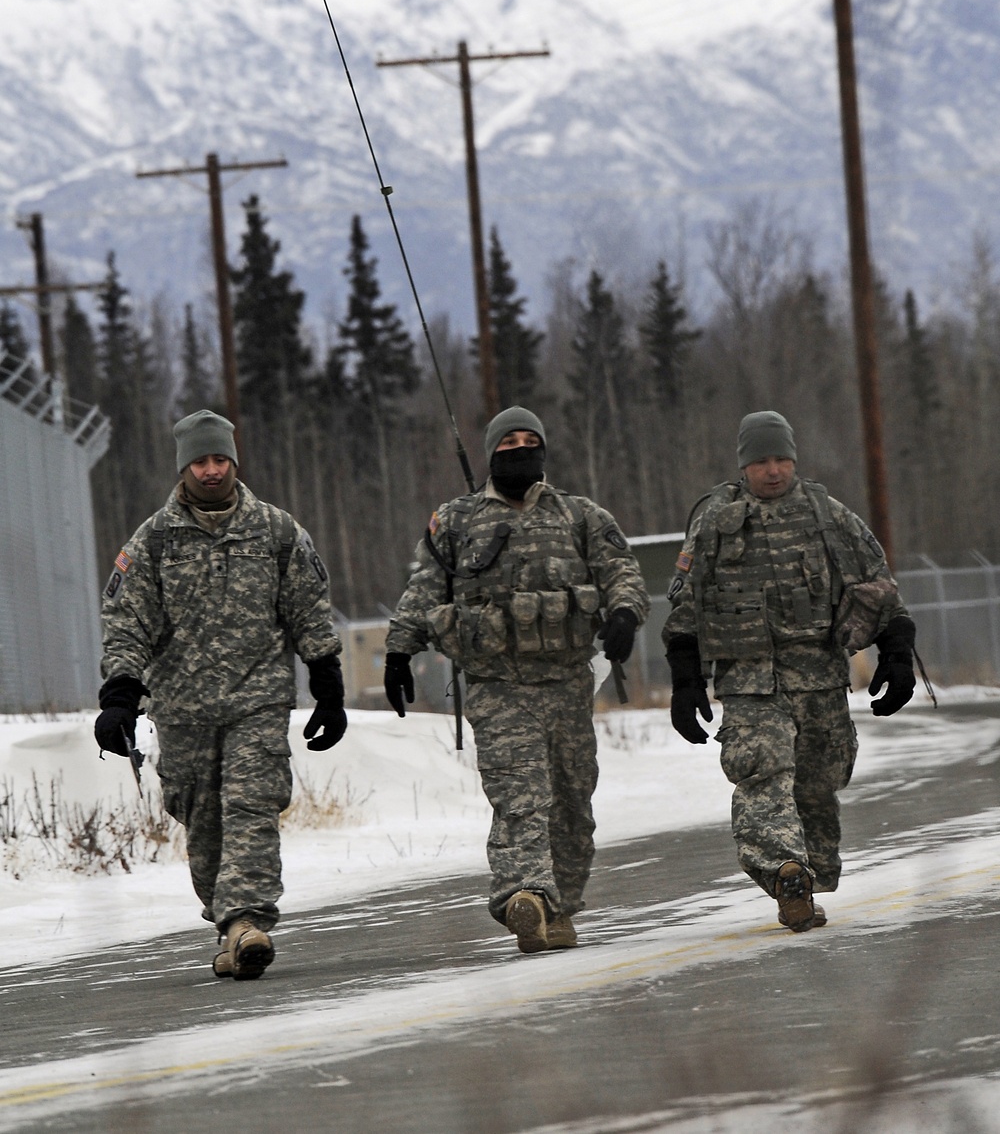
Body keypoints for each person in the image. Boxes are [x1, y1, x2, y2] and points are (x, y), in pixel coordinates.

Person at [383, 405, 649, 953]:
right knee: (520, 798)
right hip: (498, 687)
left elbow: (622, 571)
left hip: (568, 685)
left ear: (544, 451)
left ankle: (561, 904)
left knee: (572, 803)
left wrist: (624, 614)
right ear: (489, 454)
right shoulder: (456, 522)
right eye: (509, 443)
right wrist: (398, 650)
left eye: (530, 441)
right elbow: (426, 587)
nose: (520, 450)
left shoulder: (580, 516)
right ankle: (524, 895)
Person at [94, 409, 347, 980]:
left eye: (220, 459)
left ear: (234, 461)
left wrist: (326, 683)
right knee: (203, 821)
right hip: (183, 711)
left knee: (251, 805)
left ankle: (248, 921)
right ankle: (229, 927)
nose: (211, 471)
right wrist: (120, 695)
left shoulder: (278, 532)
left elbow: (308, 608)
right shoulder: (154, 542)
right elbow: (128, 622)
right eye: (200, 462)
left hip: (257, 701)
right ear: (185, 468)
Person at [663, 409, 917, 933]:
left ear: (794, 459)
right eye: (761, 461)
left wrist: (896, 650)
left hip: (820, 676)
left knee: (817, 786)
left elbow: (876, 582)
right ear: (744, 466)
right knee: (763, 773)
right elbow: (686, 602)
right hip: (749, 680)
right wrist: (686, 678)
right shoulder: (715, 520)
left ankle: (808, 875)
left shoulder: (827, 514)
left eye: (781, 458)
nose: (773, 470)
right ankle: (784, 870)